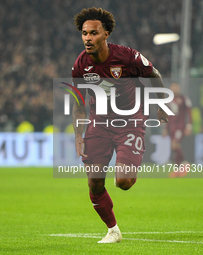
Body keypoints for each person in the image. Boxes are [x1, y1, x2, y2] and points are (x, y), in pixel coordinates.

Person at [71, 7, 168, 243]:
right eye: (84, 33)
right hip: (99, 124)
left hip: (130, 123)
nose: (87, 38)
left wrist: (161, 104)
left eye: (93, 33)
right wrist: (78, 135)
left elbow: (153, 75)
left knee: (123, 182)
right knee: (94, 182)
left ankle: (127, 167)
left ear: (106, 34)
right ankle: (113, 230)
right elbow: (78, 104)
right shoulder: (80, 65)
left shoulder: (127, 57)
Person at [163, 82, 192, 177]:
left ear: (179, 88)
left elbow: (189, 113)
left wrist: (189, 126)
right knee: (174, 147)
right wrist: (165, 128)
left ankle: (184, 163)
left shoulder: (184, 99)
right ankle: (177, 170)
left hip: (180, 126)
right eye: (172, 88)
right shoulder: (169, 100)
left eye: (176, 88)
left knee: (175, 144)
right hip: (172, 127)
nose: (174, 90)